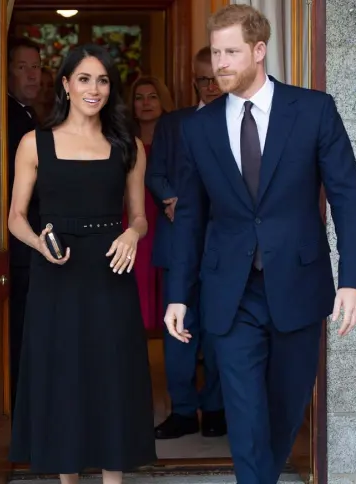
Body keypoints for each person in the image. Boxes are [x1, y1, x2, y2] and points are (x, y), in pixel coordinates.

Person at [164, 5, 356, 484]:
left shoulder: (314, 109)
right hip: (231, 294)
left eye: (231, 51)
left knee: (284, 408)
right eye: (216, 53)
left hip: (299, 284)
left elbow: (345, 196)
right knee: (245, 413)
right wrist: (178, 293)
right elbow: (190, 217)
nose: (221, 64)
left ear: (259, 51)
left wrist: (352, 280)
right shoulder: (198, 127)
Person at [8, 44, 156, 484]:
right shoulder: (35, 143)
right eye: (85, 79)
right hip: (56, 275)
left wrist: (132, 233)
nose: (95, 89)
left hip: (111, 275)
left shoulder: (127, 145)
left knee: (113, 378)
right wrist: (39, 242)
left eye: (103, 80)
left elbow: (140, 217)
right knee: (64, 380)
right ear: (66, 85)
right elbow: (15, 218)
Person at [146, 47, 226, 440]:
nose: (211, 86)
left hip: (224, 245)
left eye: (217, 78)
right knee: (177, 330)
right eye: (203, 80)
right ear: (192, 81)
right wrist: (170, 198)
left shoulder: (240, 121)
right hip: (178, 239)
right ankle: (181, 410)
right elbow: (155, 172)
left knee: (217, 329)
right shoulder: (172, 124)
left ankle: (214, 408)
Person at [7, 36, 42, 410]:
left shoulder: (31, 114)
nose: (32, 75)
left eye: (36, 67)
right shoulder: (10, 117)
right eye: (22, 67)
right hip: (19, 244)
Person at [124, 76, 175, 331]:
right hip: (132, 217)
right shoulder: (122, 141)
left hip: (165, 215)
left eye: (152, 97)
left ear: (163, 101)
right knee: (138, 278)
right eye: (139, 98)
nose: (145, 103)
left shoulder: (177, 137)